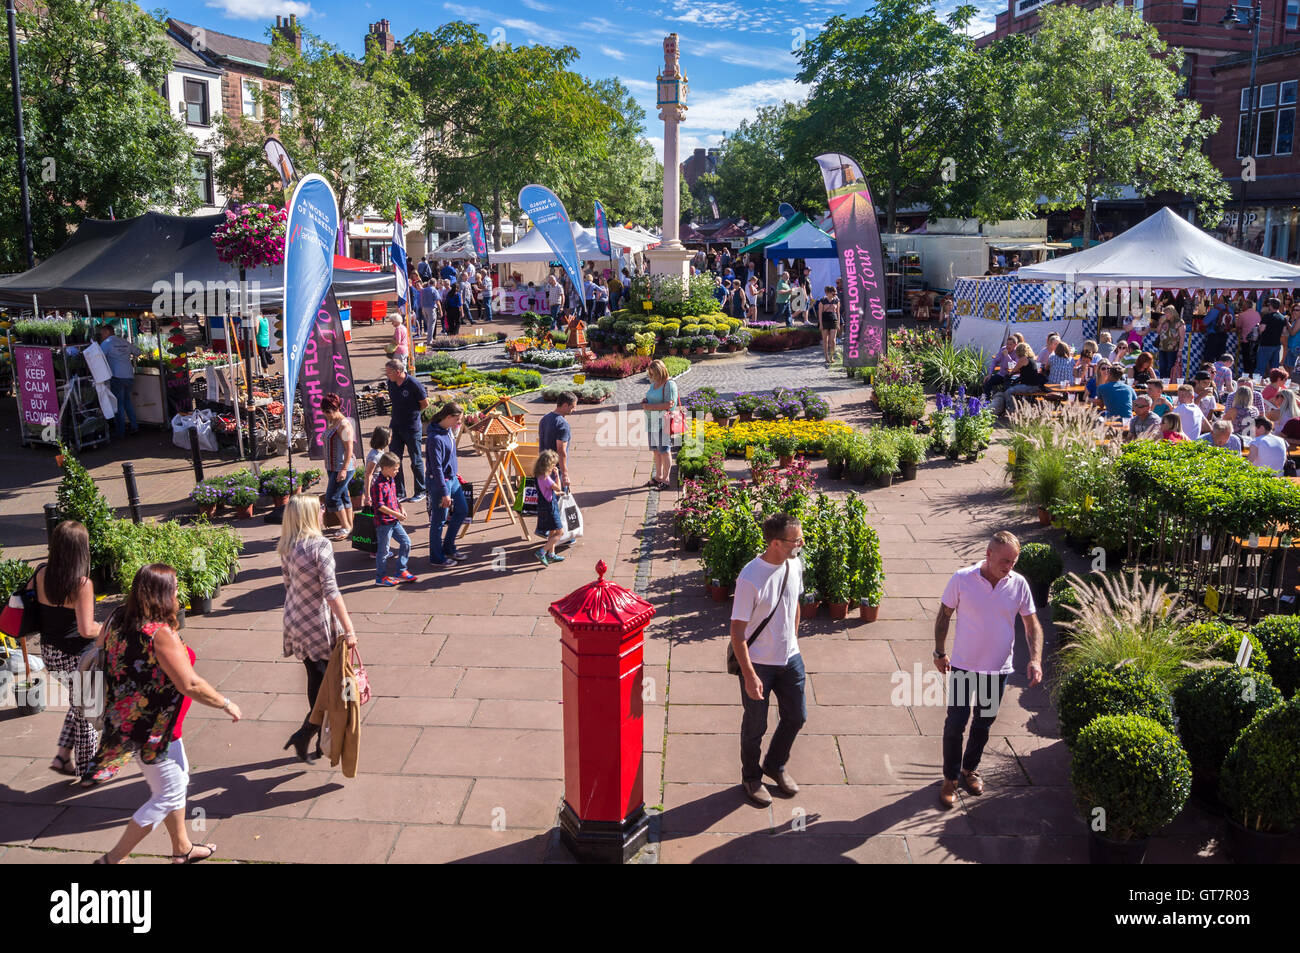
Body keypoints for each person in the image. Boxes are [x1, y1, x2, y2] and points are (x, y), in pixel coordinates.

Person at [83, 564, 241, 864]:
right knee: (168, 793)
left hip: (134, 719)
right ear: (162, 594)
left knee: (176, 781)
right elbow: (190, 683)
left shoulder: (118, 616)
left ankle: (182, 848)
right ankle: (110, 860)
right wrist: (225, 703)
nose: (179, 592)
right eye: (176, 588)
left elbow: (102, 648)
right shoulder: (159, 634)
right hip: (153, 728)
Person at [934, 531, 1042, 808]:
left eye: (1014, 561)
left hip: (998, 669)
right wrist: (939, 652)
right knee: (955, 723)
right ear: (989, 554)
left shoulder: (1018, 584)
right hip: (963, 665)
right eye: (1005, 560)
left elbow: (1031, 624)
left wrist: (1035, 659)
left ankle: (969, 770)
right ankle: (950, 778)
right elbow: (944, 615)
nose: (1009, 566)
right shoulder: (962, 579)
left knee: (983, 724)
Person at [730, 512, 806, 807]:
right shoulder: (750, 577)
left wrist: (793, 641)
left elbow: (794, 604)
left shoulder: (795, 564)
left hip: (791, 659)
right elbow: (737, 631)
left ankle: (775, 764)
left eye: (801, 537)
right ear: (775, 542)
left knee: (797, 716)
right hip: (759, 663)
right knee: (755, 725)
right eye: (794, 540)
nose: (800, 543)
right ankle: (751, 777)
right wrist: (749, 675)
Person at [278, 495, 356, 763]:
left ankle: (313, 736)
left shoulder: (287, 546)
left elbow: (288, 584)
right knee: (326, 684)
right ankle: (308, 733)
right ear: (310, 515)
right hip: (316, 621)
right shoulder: (320, 546)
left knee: (316, 675)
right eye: (320, 508)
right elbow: (331, 592)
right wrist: (349, 628)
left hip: (295, 618)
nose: (324, 511)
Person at [32, 520, 98, 777]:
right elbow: (85, 629)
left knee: (78, 703)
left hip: (50, 653)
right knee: (89, 711)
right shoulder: (81, 584)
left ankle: (62, 757)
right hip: (77, 657)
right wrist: (106, 627)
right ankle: (88, 771)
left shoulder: (41, 574)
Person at [427, 402, 469, 567]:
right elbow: (436, 467)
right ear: (448, 417)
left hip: (452, 479)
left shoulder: (447, 431)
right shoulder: (435, 438)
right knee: (439, 520)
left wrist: (454, 473)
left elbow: (450, 457)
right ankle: (436, 558)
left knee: (462, 509)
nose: (459, 424)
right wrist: (445, 492)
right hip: (440, 484)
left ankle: (448, 547)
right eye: (457, 420)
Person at [384, 359, 428, 503]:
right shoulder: (391, 382)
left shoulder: (414, 384)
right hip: (395, 426)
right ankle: (400, 492)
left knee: (416, 460)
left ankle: (421, 490)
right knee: (395, 460)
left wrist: (412, 414)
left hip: (412, 427)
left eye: (389, 372)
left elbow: (424, 404)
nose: (387, 374)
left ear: (398, 372)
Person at [371, 451, 417, 586]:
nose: (397, 471)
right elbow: (379, 506)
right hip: (384, 523)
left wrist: (400, 507)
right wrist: (396, 514)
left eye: (397, 468)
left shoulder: (390, 479)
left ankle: (401, 570)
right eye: (394, 469)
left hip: (394, 521)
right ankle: (380, 578)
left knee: (406, 542)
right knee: (383, 551)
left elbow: (394, 497)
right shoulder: (378, 485)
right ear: (384, 468)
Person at [319, 394, 356, 541]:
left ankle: (345, 526)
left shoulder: (344, 425)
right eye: (324, 411)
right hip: (332, 466)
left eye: (328, 411)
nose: (326, 414)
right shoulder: (332, 422)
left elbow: (349, 449)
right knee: (343, 496)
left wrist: (344, 469)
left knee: (332, 498)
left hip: (342, 467)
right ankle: (350, 525)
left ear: (337, 408)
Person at [96, 324, 142, 438]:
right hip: (129, 376)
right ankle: (134, 426)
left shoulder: (106, 344)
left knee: (119, 404)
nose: (101, 336)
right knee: (127, 402)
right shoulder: (124, 341)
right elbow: (138, 352)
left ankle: (120, 432)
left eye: (102, 334)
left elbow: (98, 358)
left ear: (107, 332)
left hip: (117, 377)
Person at [641, 360, 678, 488]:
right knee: (656, 451)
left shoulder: (669, 385)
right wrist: (646, 400)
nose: (652, 377)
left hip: (663, 422)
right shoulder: (655, 383)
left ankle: (666, 479)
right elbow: (652, 397)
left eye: (654, 374)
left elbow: (669, 405)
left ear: (661, 371)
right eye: (650, 374)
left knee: (664, 450)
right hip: (651, 421)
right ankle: (658, 476)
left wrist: (649, 406)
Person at [533, 450, 567, 567]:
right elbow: (557, 487)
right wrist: (557, 475)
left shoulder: (538, 476)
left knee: (552, 531)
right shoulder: (547, 478)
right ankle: (542, 552)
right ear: (548, 465)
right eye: (553, 464)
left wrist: (556, 494)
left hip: (543, 507)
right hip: (550, 509)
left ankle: (551, 555)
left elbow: (547, 492)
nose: (554, 466)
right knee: (559, 532)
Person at [538, 392, 576, 492]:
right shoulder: (563, 425)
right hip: (556, 471)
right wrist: (565, 475)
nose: (574, 410)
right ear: (565, 405)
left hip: (543, 466)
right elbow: (561, 451)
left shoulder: (545, 418)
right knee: (558, 502)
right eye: (572, 407)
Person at [360, 426, 390, 509]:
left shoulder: (381, 451)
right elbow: (368, 475)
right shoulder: (375, 456)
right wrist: (367, 496)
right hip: (375, 487)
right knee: (379, 508)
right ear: (384, 439)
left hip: (380, 485)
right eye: (390, 436)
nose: (391, 438)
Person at [1256, 297, 1288, 376]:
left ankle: (1257, 384)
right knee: (1275, 369)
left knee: (1261, 367)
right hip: (1276, 344)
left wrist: (1258, 327)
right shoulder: (1283, 318)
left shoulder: (1267, 316)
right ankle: (1274, 384)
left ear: (1270, 306)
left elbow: (1262, 329)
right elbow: (1284, 332)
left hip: (1265, 344)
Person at [1155, 305, 1185, 380]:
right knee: (1162, 367)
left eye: (1167, 313)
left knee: (1170, 367)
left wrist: (1180, 350)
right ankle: (1162, 382)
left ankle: (1168, 383)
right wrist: (1161, 323)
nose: (1166, 315)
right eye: (1165, 313)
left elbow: (1182, 337)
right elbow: (1158, 332)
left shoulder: (1179, 322)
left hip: (1172, 349)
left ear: (1172, 313)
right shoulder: (1164, 321)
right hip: (1162, 348)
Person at [1237, 295, 1262, 374]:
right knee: (1254, 358)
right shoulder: (1257, 314)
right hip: (1256, 339)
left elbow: (1237, 326)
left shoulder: (1242, 315)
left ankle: (1247, 375)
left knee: (1246, 359)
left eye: (1243, 305)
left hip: (1246, 340)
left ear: (1246, 306)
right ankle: (1253, 374)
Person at [817, 285, 840, 367]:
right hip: (825, 320)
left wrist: (838, 323)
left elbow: (838, 312)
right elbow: (819, 313)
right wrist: (820, 324)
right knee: (825, 340)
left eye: (835, 292)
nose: (835, 294)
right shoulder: (823, 300)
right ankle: (826, 356)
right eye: (833, 292)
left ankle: (832, 356)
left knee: (832, 340)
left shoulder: (836, 300)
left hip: (834, 320)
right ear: (828, 293)